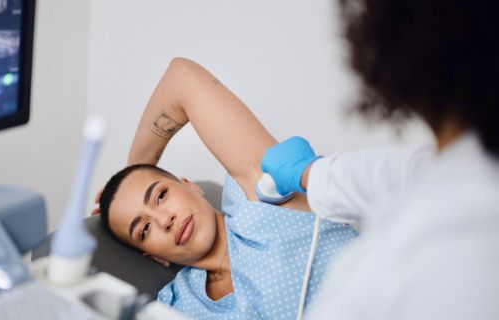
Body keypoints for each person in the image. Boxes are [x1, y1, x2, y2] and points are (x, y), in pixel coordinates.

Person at [260, 1, 499, 319]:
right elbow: (407, 173)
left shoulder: (411, 260)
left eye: (166, 193)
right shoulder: (456, 172)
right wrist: (310, 173)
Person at [96, 57, 357, 319]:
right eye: (144, 229)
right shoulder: (177, 306)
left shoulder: (257, 199)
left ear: (191, 187)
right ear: (154, 257)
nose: (165, 220)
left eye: (161, 195)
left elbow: (181, 78)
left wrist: (134, 170)